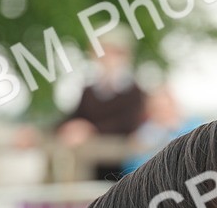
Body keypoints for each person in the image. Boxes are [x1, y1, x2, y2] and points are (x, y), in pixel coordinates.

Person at [56, 29, 148, 180]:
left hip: (120, 167)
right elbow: (74, 117)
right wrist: (64, 129)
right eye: (103, 52)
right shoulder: (89, 91)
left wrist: (90, 130)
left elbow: (129, 124)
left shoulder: (134, 91)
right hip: (89, 166)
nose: (107, 58)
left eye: (113, 52)